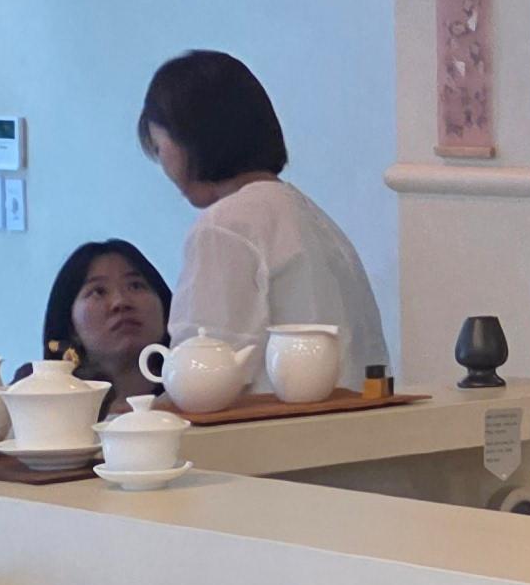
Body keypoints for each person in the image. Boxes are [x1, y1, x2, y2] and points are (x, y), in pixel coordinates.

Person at [137, 51, 386, 385]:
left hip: (278, 420)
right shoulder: (311, 217)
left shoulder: (226, 225)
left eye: (158, 147)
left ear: (190, 138)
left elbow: (199, 379)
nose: (163, 165)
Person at [37, 237, 171, 401]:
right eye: (98, 292)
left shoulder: (196, 395)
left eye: (136, 286)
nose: (121, 302)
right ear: (71, 326)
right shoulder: (38, 399)